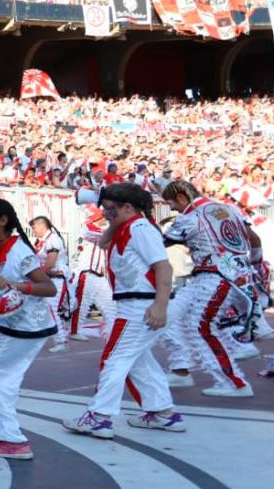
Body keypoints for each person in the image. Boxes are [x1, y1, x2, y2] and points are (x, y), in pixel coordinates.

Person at [62, 185, 185, 438]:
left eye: (110, 209)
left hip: (139, 305)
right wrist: (113, 218)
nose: (106, 213)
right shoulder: (129, 227)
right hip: (137, 304)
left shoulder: (139, 229)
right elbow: (104, 242)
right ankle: (164, 413)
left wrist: (160, 305)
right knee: (138, 361)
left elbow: (163, 267)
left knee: (114, 359)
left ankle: (99, 416)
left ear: (128, 208)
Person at [0, 198, 58, 460]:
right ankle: (3, 432)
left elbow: (49, 287)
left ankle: (13, 439)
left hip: (26, 327)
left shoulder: (18, 252)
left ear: (3, 220)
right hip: (17, 325)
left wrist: (15, 285)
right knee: (3, 379)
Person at [160, 180, 258, 397]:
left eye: (171, 204)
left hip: (214, 276)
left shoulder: (189, 217)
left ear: (182, 198)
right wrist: (256, 263)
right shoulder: (229, 208)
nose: (172, 209)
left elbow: (159, 243)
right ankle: (180, 370)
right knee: (165, 316)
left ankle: (235, 383)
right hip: (226, 275)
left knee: (201, 327)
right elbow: (254, 238)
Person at [68, 205, 116, 342]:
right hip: (86, 273)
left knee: (110, 305)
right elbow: (105, 235)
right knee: (82, 303)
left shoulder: (98, 228)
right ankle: (74, 331)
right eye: (103, 215)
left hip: (99, 275)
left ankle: (113, 330)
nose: (106, 217)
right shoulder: (88, 227)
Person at [29, 216, 71, 353]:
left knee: (51, 310)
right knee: (45, 310)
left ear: (42, 226)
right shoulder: (42, 241)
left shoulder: (53, 240)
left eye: (34, 227)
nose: (33, 231)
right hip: (49, 279)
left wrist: (37, 275)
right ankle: (56, 337)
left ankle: (61, 341)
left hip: (56, 279)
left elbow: (50, 262)